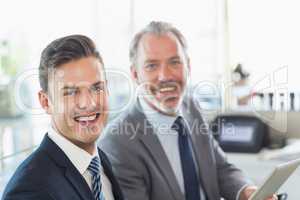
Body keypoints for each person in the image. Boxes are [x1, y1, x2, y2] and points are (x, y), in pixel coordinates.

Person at [99, 22, 276, 200]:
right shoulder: (117, 143)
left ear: (188, 66)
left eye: (174, 62)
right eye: (152, 66)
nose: (165, 76)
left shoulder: (190, 107)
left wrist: (246, 192)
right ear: (135, 74)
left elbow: (219, 168)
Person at [2, 35, 124, 200]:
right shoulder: (29, 190)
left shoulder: (99, 161)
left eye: (97, 88)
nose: (88, 103)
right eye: (71, 92)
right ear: (45, 102)